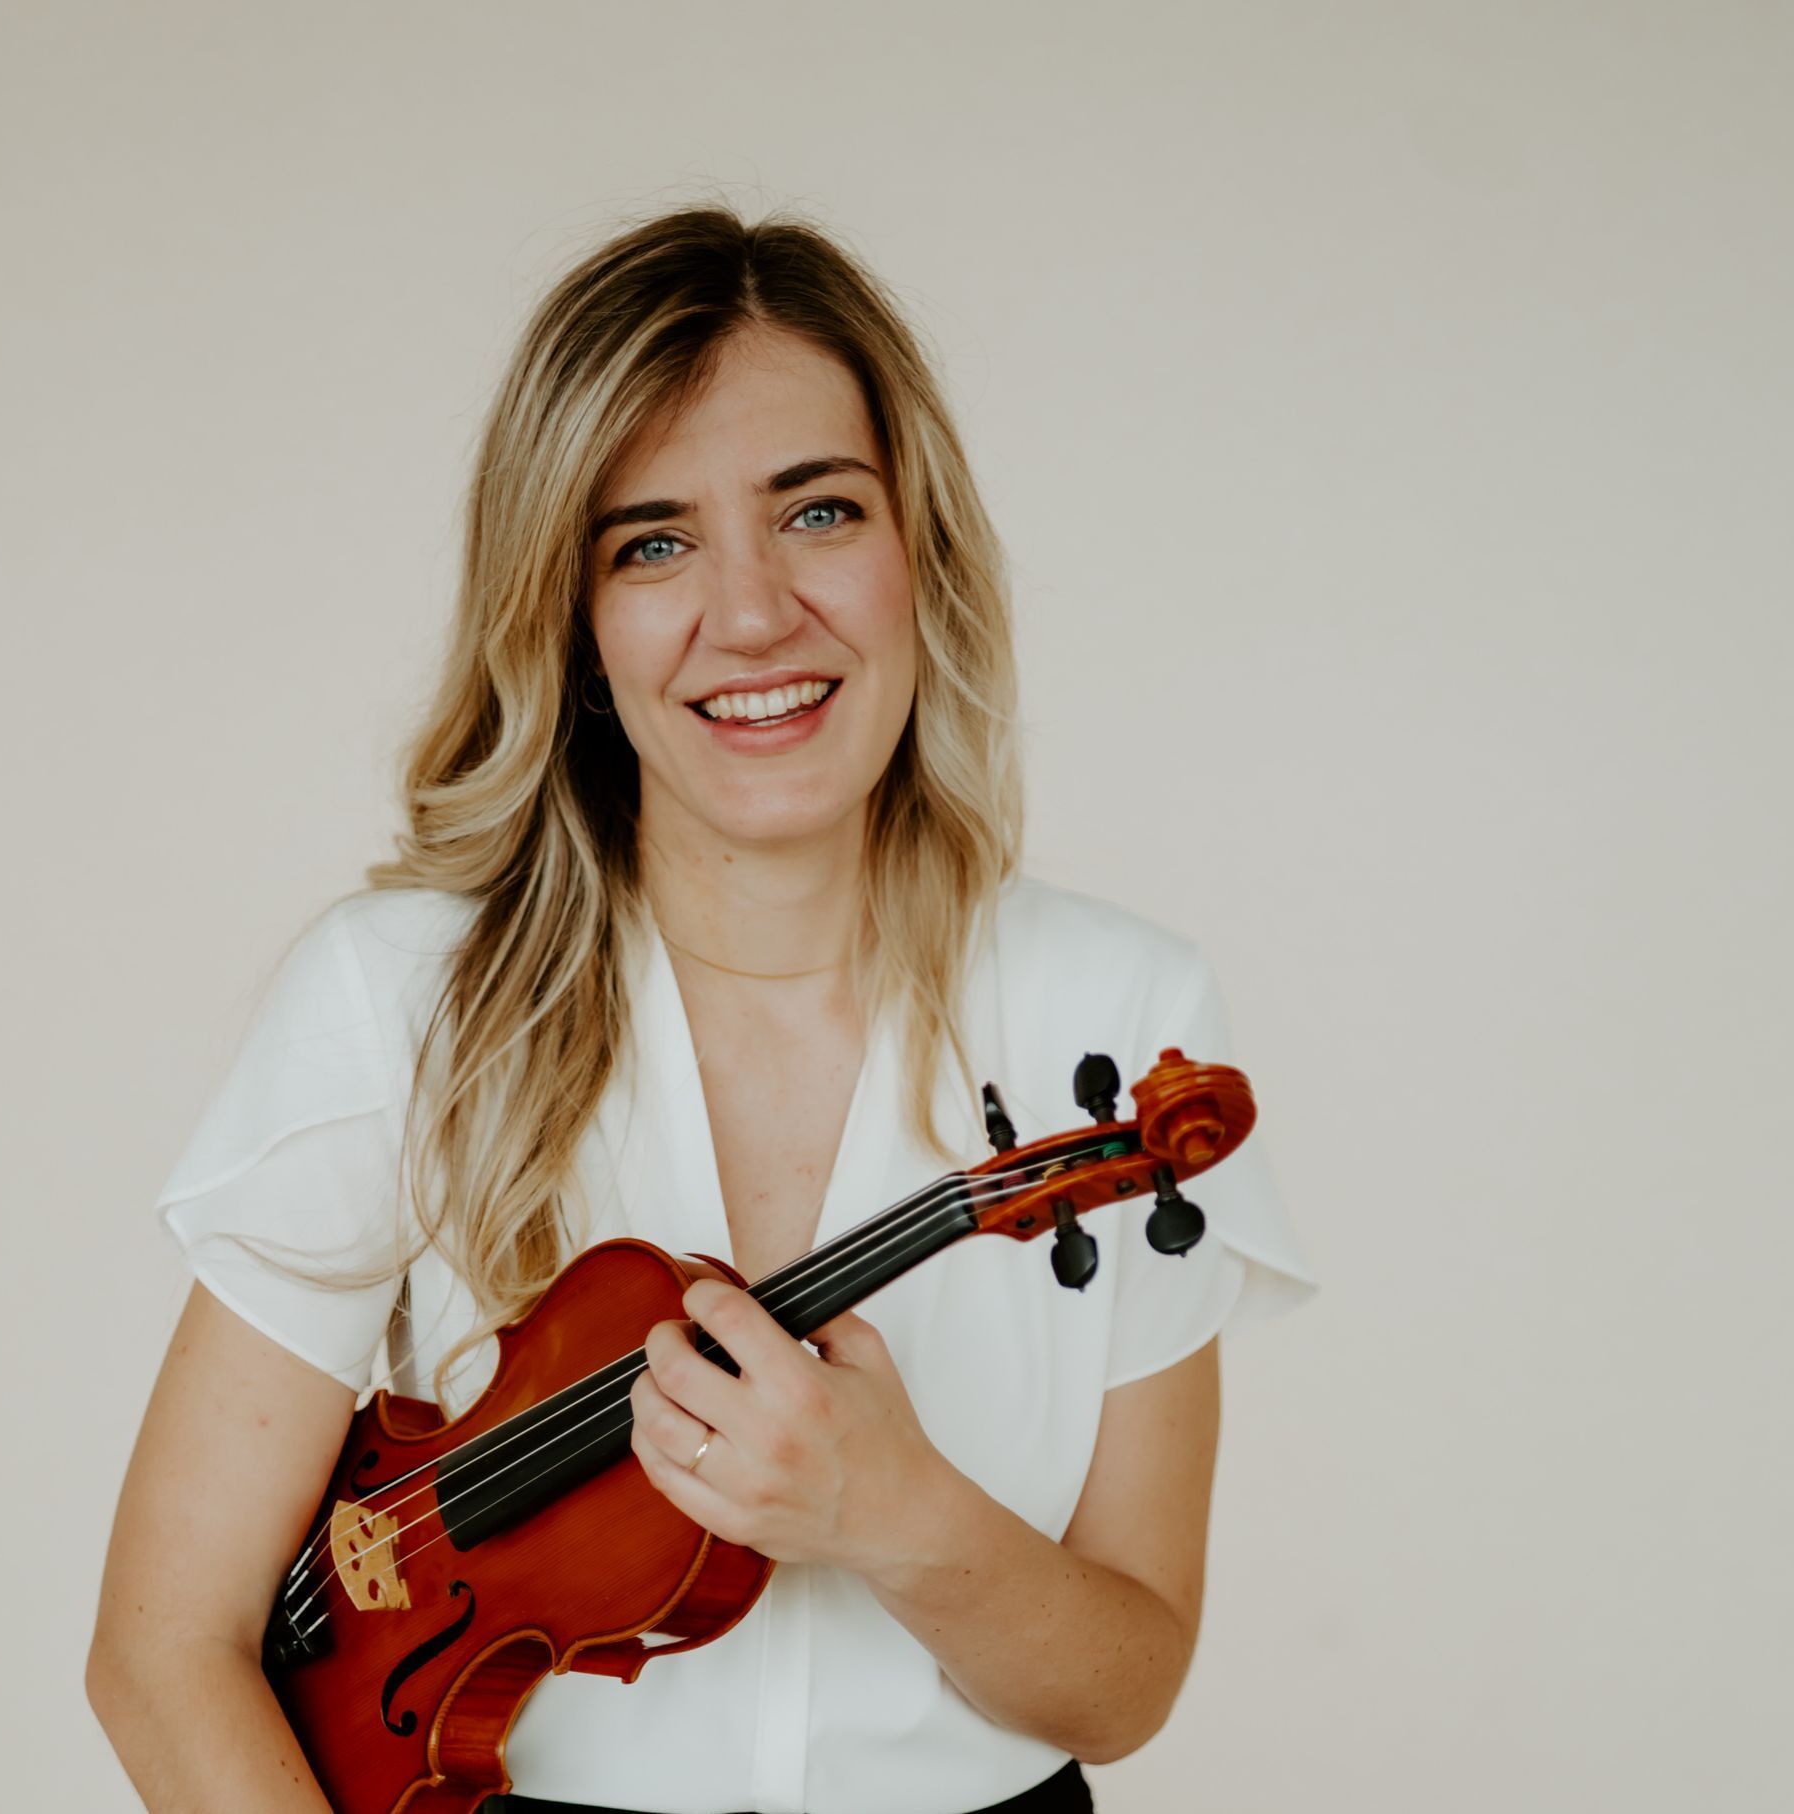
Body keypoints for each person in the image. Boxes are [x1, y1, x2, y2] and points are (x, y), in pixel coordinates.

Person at [85, 203, 1319, 1814]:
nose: (749, 617)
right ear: (580, 626)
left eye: (817, 512)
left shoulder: (1122, 1010)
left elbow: (1129, 1678)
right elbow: (167, 1648)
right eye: (652, 541)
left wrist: (896, 1509)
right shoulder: (400, 999)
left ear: (920, 549)